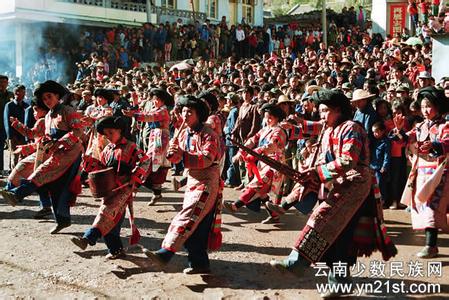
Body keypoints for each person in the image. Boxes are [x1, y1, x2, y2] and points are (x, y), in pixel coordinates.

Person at [269, 90, 397, 298]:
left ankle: (297, 262)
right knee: (339, 237)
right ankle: (339, 282)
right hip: (336, 184)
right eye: (319, 111)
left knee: (323, 220)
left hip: (355, 185)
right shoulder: (328, 129)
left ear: (338, 110)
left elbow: (348, 160)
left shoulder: (351, 128)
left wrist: (318, 173)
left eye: (325, 110)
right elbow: (310, 130)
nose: (321, 115)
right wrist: (295, 124)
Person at [143, 95, 223, 274]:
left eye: (190, 112)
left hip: (207, 181)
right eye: (184, 111)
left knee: (188, 216)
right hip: (193, 181)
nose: (185, 115)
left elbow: (207, 159)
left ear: (199, 114)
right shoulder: (184, 131)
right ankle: (198, 263)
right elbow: (176, 158)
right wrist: (172, 154)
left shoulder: (209, 134)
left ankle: (166, 252)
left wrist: (183, 155)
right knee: (197, 225)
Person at [0, 80, 84, 234]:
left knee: (41, 172)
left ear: (57, 96)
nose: (47, 101)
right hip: (56, 152)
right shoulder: (47, 116)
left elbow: (78, 130)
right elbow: (42, 136)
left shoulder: (68, 110)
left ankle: (17, 194)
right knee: (55, 188)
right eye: (44, 99)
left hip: (70, 153)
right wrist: (19, 127)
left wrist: (59, 142)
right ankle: (62, 221)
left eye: (49, 97)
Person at [71, 116, 150, 259]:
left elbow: (145, 161)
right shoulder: (107, 149)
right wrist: (91, 164)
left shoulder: (131, 146)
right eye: (106, 134)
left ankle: (88, 238)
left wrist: (135, 179)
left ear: (120, 130)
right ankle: (116, 250)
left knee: (106, 213)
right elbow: (102, 167)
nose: (108, 136)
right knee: (112, 219)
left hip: (124, 188)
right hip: (109, 188)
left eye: (111, 132)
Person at [391, 86, 449, 258]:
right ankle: (431, 244)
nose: (425, 110)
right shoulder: (420, 126)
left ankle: (431, 245)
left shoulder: (445, 126)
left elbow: (447, 142)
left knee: (432, 206)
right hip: (421, 172)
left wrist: (435, 145)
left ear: (438, 107)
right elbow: (406, 139)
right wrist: (399, 130)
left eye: (429, 106)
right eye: (423, 106)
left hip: (440, 172)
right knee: (424, 206)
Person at [223, 103, 287, 224]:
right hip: (264, 164)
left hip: (274, 165)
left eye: (270, 117)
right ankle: (274, 216)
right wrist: (241, 151)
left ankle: (235, 206)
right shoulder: (264, 130)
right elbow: (252, 140)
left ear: (277, 118)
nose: (267, 120)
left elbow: (271, 146)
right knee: (261, 192)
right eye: (266, 117)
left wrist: (253, 152)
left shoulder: (279, 131)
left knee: (257, 185)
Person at [123, 88, 172, 205]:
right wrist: (135, 103)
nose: (154, 102)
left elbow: (149, 116)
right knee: (154, 165)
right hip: (154, 136)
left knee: (151, 163)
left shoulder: (163, 111)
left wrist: (133, 115)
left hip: (160, 138)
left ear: (162, 100)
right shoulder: (157, 109)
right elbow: (145, 113)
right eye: (154, 100)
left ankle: (135, 187)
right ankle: (156, 193)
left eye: (156, 100)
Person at [4, 85, 29, 168]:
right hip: (14, 135)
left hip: (23, 135)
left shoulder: (26, 106)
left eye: (24, 92)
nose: (23, 94)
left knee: (23, 156)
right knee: (15, 156)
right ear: (16, 93)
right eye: (21, 92)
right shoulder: (9, 105)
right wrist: (10, 136)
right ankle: (13, 175)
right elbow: (7, 122)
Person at [370, 121, 391, 205]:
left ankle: (382, 201)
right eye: (374, 132)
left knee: (380, 185)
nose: (375, 134)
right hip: (373, 166)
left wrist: (384, 166)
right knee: (373, 185)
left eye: (377, 132)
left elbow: (387, 155)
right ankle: (375, 201)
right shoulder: (374, 141)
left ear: (382, 131)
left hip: (380, 168)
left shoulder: (386, 142)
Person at [0, 75, 13, 173]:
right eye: (1, 82)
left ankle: (10, 169)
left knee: (11, 147)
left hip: (8, 126)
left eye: (5, 82)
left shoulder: (10, 95)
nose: (3, 84)